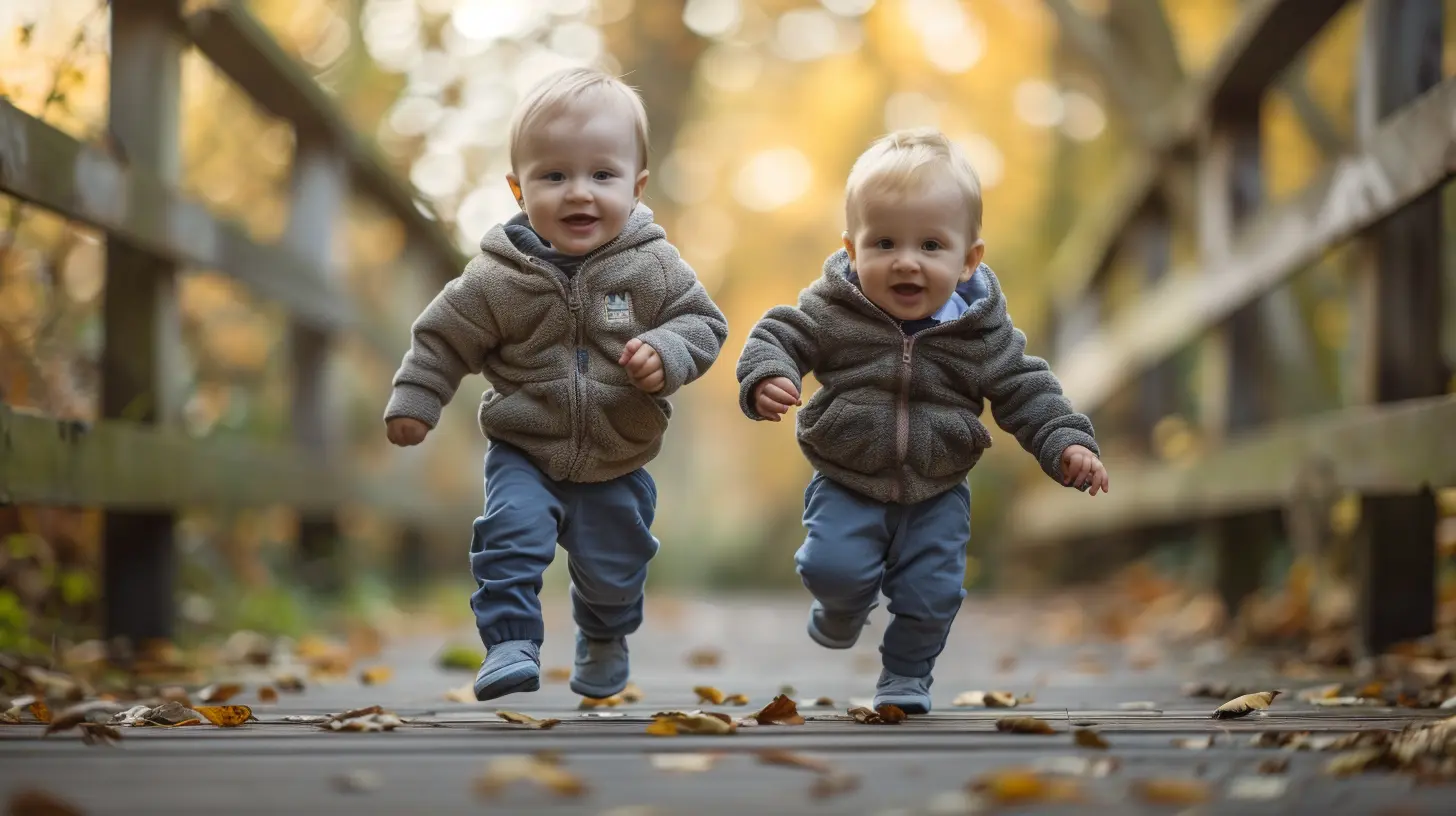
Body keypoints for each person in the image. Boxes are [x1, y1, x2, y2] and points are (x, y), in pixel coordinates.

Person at [735, 127, 1109, 713]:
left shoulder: (979, 333)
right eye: (884, 243)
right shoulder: (835, 309)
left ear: (968, 259)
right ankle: (842, 605)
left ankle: (907, 676)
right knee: (831, 567)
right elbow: (780, 334)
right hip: (847, 474)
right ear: (853, 251)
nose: (906, 262)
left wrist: (1064, 441)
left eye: (931, 246)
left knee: (932, 594)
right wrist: (767, 374)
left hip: (938, 485)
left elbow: (1025, 389)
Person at [384, 67, 728, 702]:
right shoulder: (496, 279)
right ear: (519, 190)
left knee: (614, 573)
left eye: (602, 175)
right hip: (525, 447)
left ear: (636, 185)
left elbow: (703, 321)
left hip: (619, 454)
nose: (579, 193)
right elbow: (443, 337)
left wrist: (667, 351)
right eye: (554, 176)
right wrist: (416, 397)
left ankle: (604, 633)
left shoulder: (653, 265)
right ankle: (511, 642)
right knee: (510, 535)